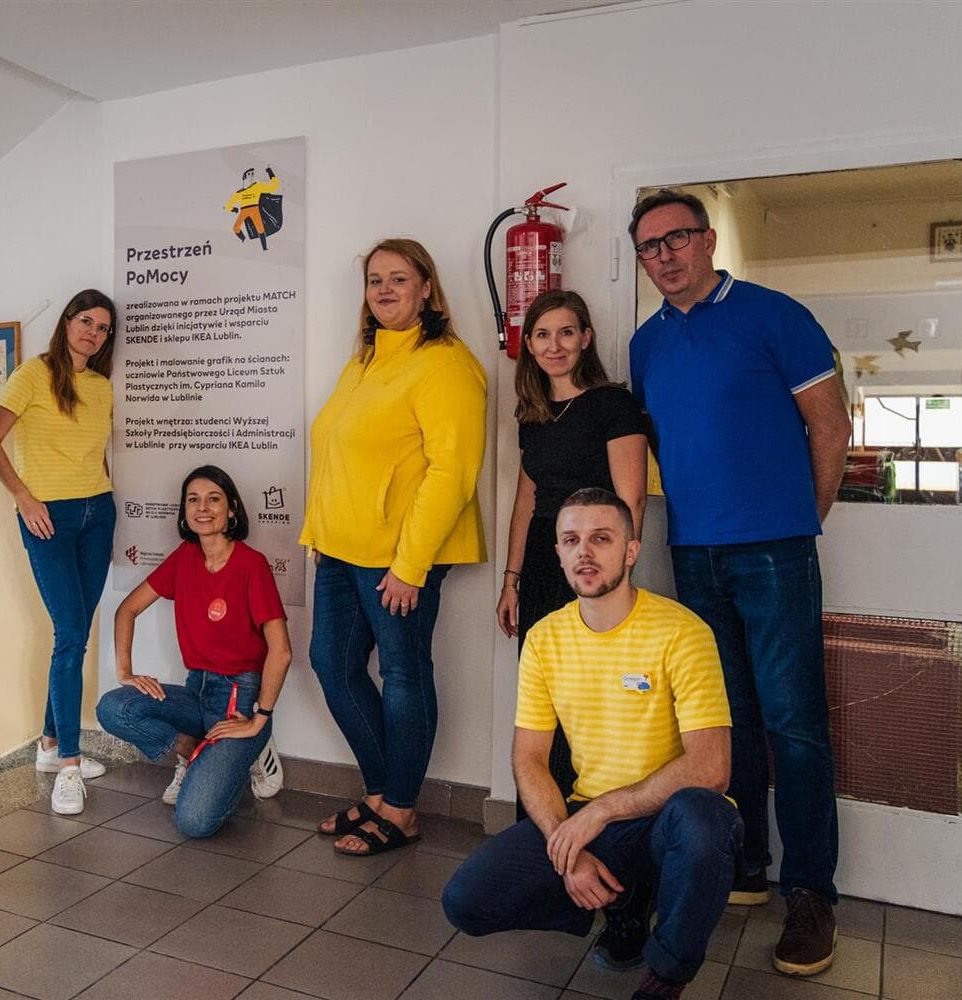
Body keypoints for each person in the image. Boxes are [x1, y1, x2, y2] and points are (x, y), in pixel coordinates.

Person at [628, 189, 852, 976]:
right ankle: (747, 863)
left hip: (774, 551)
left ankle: (811, 894)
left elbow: (831, 425)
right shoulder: (646, 344)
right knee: (727, 720)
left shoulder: (775, 315)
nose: (664, 256)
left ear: (707, 240)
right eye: (649, 246)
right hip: (694, 553)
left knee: (795, 724)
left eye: (676, 239)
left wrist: (800, 518)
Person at [442, 488, 739, 1000]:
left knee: (706, 820)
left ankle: (665, 976)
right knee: (466, 901)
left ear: (631, 550)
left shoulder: (683, 632)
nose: (584, 552)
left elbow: (712, 768)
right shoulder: (544, 638)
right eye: (571, 540)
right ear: (558, 554)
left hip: (667, 816)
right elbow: (529, 759)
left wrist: (601, 812)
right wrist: (568, 849)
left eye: (601, 538)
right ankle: (620, 903)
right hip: (591, 819)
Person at [301, 237, 487, 856]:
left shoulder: (446, 364)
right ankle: (382, 792)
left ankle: (401, 810)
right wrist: (318, 531)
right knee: (333, 666)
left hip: (398, 557)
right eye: (375, 280)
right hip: (340, 550)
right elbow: (334, 452)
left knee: (404, 674)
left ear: (427, 289)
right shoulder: (364, 362)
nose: (384, 290)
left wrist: (411, 565)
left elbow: (452, 472)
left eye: (399, 279)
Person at [497, 289, 648, 800]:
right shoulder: (532, 414)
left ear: (586, 338)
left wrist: (619, 577)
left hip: (595, 558)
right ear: (529, 346)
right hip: (544, 560)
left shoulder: (613, 404)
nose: (554, 345)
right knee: (543, 692)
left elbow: (631, 499)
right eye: (542, 335)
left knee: (590, 691)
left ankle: (590, 813)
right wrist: (511, 580)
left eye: (566, 332)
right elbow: (526, 501)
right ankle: (541, 818)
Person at [97, 466, 290, 836]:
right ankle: (192, 750)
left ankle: (256, 742)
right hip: (196, 689)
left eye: (213, 499)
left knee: (194, 821)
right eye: (193, 499)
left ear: (231, 509)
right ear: (184, 511)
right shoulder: (184, 557)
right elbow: (127, 610)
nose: (202, 508)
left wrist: (259, 717)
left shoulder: (251, 564)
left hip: (238, 699)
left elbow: (280, 651)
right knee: (113, 707)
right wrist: (125, 672)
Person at [0, 290, 117, 815]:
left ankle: (48, 744)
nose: (92, 333)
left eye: (102, 328)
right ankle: (68, 765)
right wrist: (23, 497)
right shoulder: (32, 375)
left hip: (98, 514)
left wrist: (101, 497)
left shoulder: (102, 386)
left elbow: (96, 453)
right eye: (85, 321)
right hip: (48, 519)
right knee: (70, 634)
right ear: (66, 322)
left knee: (77, 632)